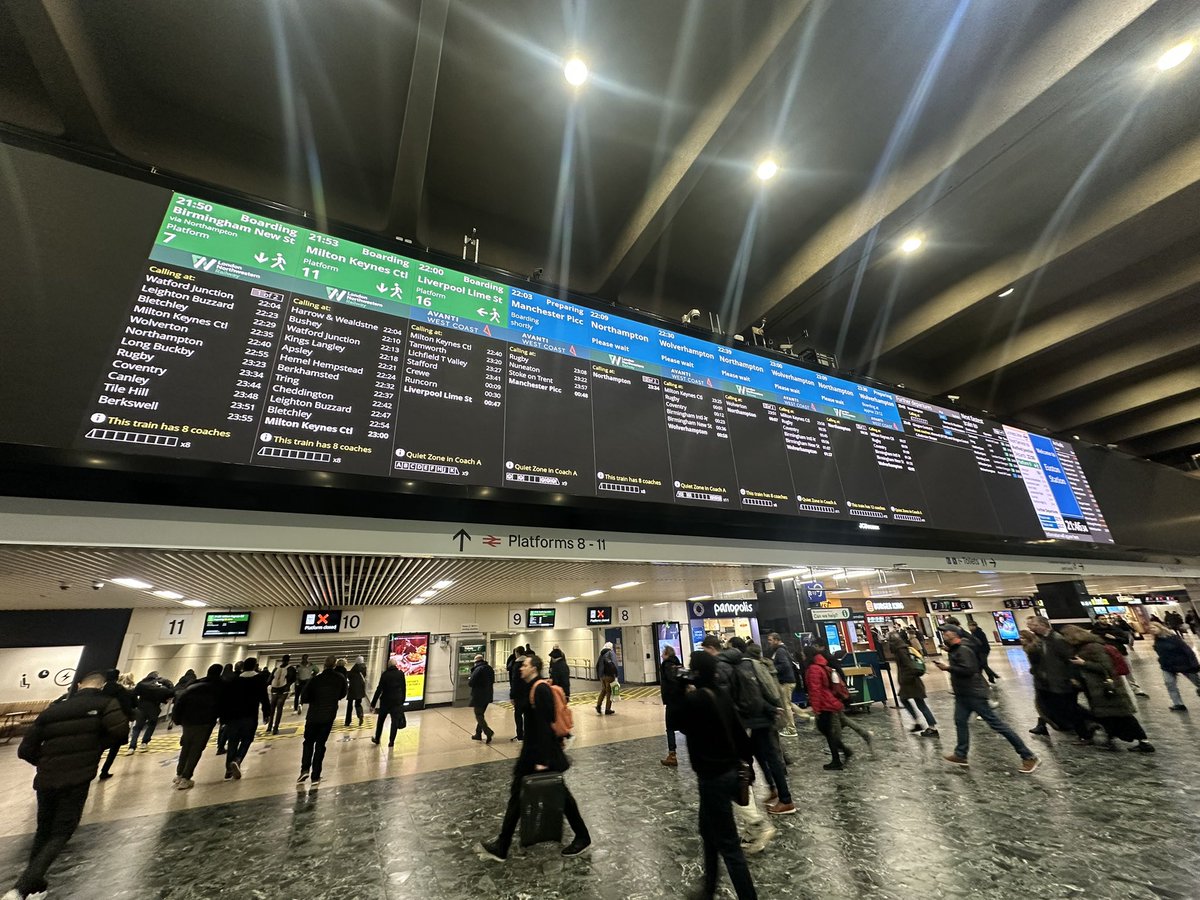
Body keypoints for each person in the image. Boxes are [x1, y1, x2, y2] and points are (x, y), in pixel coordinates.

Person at [8, 671, 128, 900]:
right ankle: (21, 889)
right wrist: (94, 749)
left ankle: (35, 884)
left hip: (46, 778)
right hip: (77, 778)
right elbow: (121, 733)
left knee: (44, 830)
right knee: (62, 831)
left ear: (79, 685)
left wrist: (45, 762)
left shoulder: (55, 708)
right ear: (101, 687)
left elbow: (25, 750)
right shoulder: (106, 704)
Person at [479, 654, 591, 861]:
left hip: (540, 755)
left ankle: (582, 836)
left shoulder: (540, 689)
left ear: (535, 668)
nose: (521, 668)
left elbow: (544, 724)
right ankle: (502, 844)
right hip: (535, 753)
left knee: (559, 798)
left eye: (526, 665)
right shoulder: (532, 688)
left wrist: (543, 760)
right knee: (533, 797)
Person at [675, 650, 758, 900]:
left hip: (713, 778)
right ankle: (709, 887)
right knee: (707, 832)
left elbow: (678, 722)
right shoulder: (721, 694)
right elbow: (740, 734)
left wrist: (680, 689)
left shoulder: (696, 700)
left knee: (729, 845)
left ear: (698, 672)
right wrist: (749, 765)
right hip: (732, 771)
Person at [934, 627, 1039, 773]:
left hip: (973, 694)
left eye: (946, 632)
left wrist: (948, 668)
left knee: (997, 724)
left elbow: (969, 670)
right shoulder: (957, 649)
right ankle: (961, 754)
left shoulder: (964, 649)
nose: (944, 634)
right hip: (963, 694)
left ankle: (1028, 756)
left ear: (954, 634)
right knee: (960, 721)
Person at [1061, 625, 1154, 752]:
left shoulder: (1093, 647)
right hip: (1094, 688)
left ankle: (1144, 741)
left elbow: (1106, 667)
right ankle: (1111, 737)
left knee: (1123, 716)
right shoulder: (1079, 648)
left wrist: (1084, 663)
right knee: (1107, 716)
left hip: (1106, 687)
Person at [1024, 616, 1094, 740]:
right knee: (1062, 706)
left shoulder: (1056, 639)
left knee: (1070, 708)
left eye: (1034, 625)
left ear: (1043, 625)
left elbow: (1070, 659)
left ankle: (1086, 732)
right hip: (1052, 680)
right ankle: (1087, 726)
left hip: (1062, 680)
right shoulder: (1044, 640)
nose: (1031, 628)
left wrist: (1072, 677)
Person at [170, 663, 223, 789]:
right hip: (205, 722)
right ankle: (186, 777)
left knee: (186, 747)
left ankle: (179, 774)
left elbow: (180, 703)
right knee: (196, 749)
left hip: (188, 721)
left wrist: (177, 719)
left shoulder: (194, 685)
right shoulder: (218, 686)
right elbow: (221, 705)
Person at [218, 657, 271, 779]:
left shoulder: (234, 681)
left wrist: (223, 718)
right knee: (247, 739)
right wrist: (266, 713)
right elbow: (264, 697)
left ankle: (228, 770)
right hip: (250, 715)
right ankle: (238, 759)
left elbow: (226, 701)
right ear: (255, 666)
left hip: (233, 716)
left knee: (232, 741)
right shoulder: (258, 680)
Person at [298, 656, 348, 785]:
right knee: (321, 745)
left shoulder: (315, 679)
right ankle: (316, 776)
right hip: (328, 716)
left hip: (313, 715)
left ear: (324, 665)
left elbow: (304, 697)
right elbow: (343, 694)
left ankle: (304, 769)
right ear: (335, 665)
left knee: (308, 742)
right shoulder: (340, 678)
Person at [804, 644, 852, 771]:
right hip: (829, 701)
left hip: (824, 703)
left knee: (827, 731)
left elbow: (815, 690)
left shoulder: (813, 669)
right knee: (827, 731)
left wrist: (816, 709)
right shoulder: (821, 665)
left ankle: (837, 758)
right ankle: (844, 751)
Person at [887, 632, 937, 736]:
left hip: (910, 681)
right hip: (911, 681)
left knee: (918, 703)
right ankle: (920, 723)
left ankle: (931, 727)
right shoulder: (903, 648)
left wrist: (905, 679)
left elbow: (908, 665)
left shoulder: (900, 651)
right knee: (911, 701)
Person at [1147, 622, 1200, 711]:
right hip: (1167, 666)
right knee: (1169, 684)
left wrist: (1194, 664)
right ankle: (1178, 704)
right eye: (1150, 629)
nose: (1152, 630)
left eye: (1154, 627)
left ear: (1160, 627)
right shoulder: (1156, 640)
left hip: (1183, 664)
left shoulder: (1173, 638)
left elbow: (1187, 650)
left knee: (1197, 682)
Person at [97, 668, 135, 780]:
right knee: (114, 749)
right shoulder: (121, 691)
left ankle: (92, 768)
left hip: (101, 723)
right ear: (117, 677)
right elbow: (128, 706)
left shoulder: (101, 690)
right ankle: (104, 771)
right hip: (117, 722)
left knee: (99, 749)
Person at [128, 672, 173, 751]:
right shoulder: (159, 686)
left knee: (137, 727)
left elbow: (134, 694)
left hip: (141, 708)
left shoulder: (141, 684)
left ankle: (132, 746)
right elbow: (169, 693)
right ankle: (144, 743)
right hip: (154, 708)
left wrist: (136, 705)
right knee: (151, 725)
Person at [370, 655, 407, 747]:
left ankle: (377, 739)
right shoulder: (400, 674)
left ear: (388, 665)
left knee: (381, 720)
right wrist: (402, 700)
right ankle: (391, 742)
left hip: (385, 701)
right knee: (394, 721)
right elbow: (403, 688)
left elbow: (379, 689)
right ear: (396, 665)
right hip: (397, 701)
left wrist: (373, 703)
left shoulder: (385, 674)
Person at [765, 633, 798, 735]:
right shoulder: (781, 650)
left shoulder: (780, 651)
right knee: (787, 704)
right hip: (787, 681)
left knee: (786, 705)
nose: (769, 642)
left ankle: (791, 729)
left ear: (776, 640)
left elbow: (785, 665)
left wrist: (772, 670)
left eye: (770, 640)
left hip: (786, 682)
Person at [660, 645, 684, 767]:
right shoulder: (679, 664)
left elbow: (671, 680)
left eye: (663, 653)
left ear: (667, 654)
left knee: (670, 727)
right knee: (686, 726)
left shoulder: (666, 665)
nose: (661, 655)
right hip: (682, 699)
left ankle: (672, 755)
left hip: (672, 700)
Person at [468, 653, 495, 743]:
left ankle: (488, 732)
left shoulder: (478, 669)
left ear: (475, 662)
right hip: (488, 695)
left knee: (478, 715)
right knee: (481, 714)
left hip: (479, 696)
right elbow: (492, 681)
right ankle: (478, 734)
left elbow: (471, 683)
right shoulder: (489, 668)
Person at [267, 654, 294, 735]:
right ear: (289, 660)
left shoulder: (276, 668)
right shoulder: (291, 668)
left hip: (274, 689)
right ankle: (275, 728)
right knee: (279, 708)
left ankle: (269, 726)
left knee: (272, 708)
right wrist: (288, 685)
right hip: (283, 690)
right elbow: (292, 679)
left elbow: (270, 678)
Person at [508, 648, 527, 741]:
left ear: (517, 653)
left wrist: (512, 696)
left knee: (518, 715)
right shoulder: (529, 663)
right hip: (528, 693)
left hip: (519, 695)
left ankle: (520, 735)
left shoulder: (517, 665)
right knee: (528, 715)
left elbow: (514, 681)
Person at [595, 641, 618, 715]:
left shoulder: (601, 654)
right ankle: (607, 709)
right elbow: (614, 664)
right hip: (609, 675)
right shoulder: (611, 653)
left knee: (603, 691)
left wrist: (599, 676)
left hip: (602, 676)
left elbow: (597, 665)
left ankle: (598, 705)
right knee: (609, 692)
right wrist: (616, 674)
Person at [345, 657, 368, 727]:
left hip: (353, 688)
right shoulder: (364, 667)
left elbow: (349, 676)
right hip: (360, 688)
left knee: (349, 705)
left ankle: (347, 721)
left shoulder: (355, 668)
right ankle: (360, 714)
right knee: (358, 703)